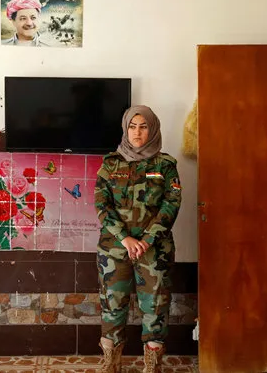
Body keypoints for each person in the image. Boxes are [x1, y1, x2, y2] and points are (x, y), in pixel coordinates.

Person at [95, 105, 182, 373]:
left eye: (143, 126)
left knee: (155, 307)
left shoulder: (165, 165)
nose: (137, 132)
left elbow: (172, 203)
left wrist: (146, 240)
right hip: (114, 249)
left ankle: (152, 366)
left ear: (152, 129)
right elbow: (101, 204)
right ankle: (111, 364)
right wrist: (125, 238)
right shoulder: (110, 164)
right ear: (125, 129)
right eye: (132, 126)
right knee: (112, 306)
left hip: (155, 251)